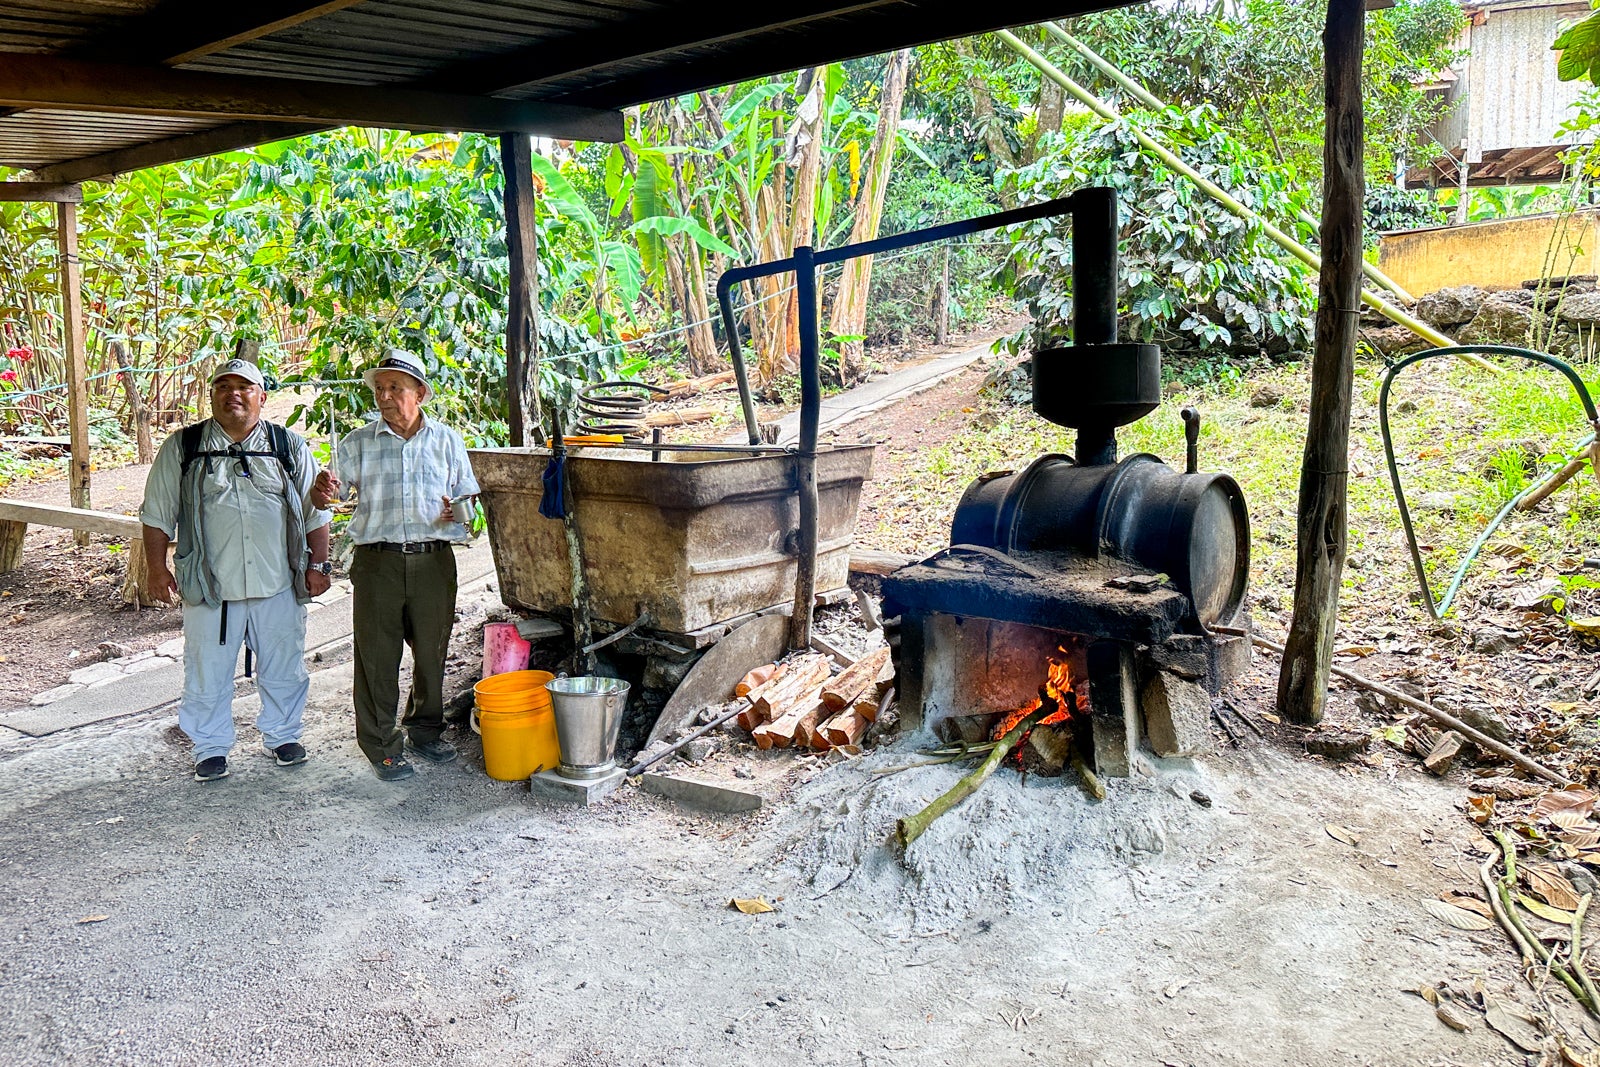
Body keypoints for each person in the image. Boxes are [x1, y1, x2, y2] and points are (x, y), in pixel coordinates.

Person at [140, 359, 333, 783]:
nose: (234, 394)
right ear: (211, 396)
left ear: (262, 397)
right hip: (211, 586)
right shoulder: (183, 448)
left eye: (245, 387)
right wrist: (156, 569)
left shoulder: (287, 446)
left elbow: (316, 511)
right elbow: (156, 515)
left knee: (284, 665)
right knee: (207, 668)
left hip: (278, 580)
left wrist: (318, 566)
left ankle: (284, 736)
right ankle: (209, 747)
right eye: (223, 386)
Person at [311, 350, 479, 782]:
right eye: (379, 389)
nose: (384, 396)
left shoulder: (447, 441)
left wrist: (456, 512)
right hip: (378, 564)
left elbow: (467, 504)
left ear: (420, 393)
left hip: (433, 562)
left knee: (431, 653)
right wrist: (321, 492)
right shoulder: (357, 442)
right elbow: (328, 496)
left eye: (395, 388)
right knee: (376, 659)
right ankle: (382, 745)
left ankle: (424, 731)